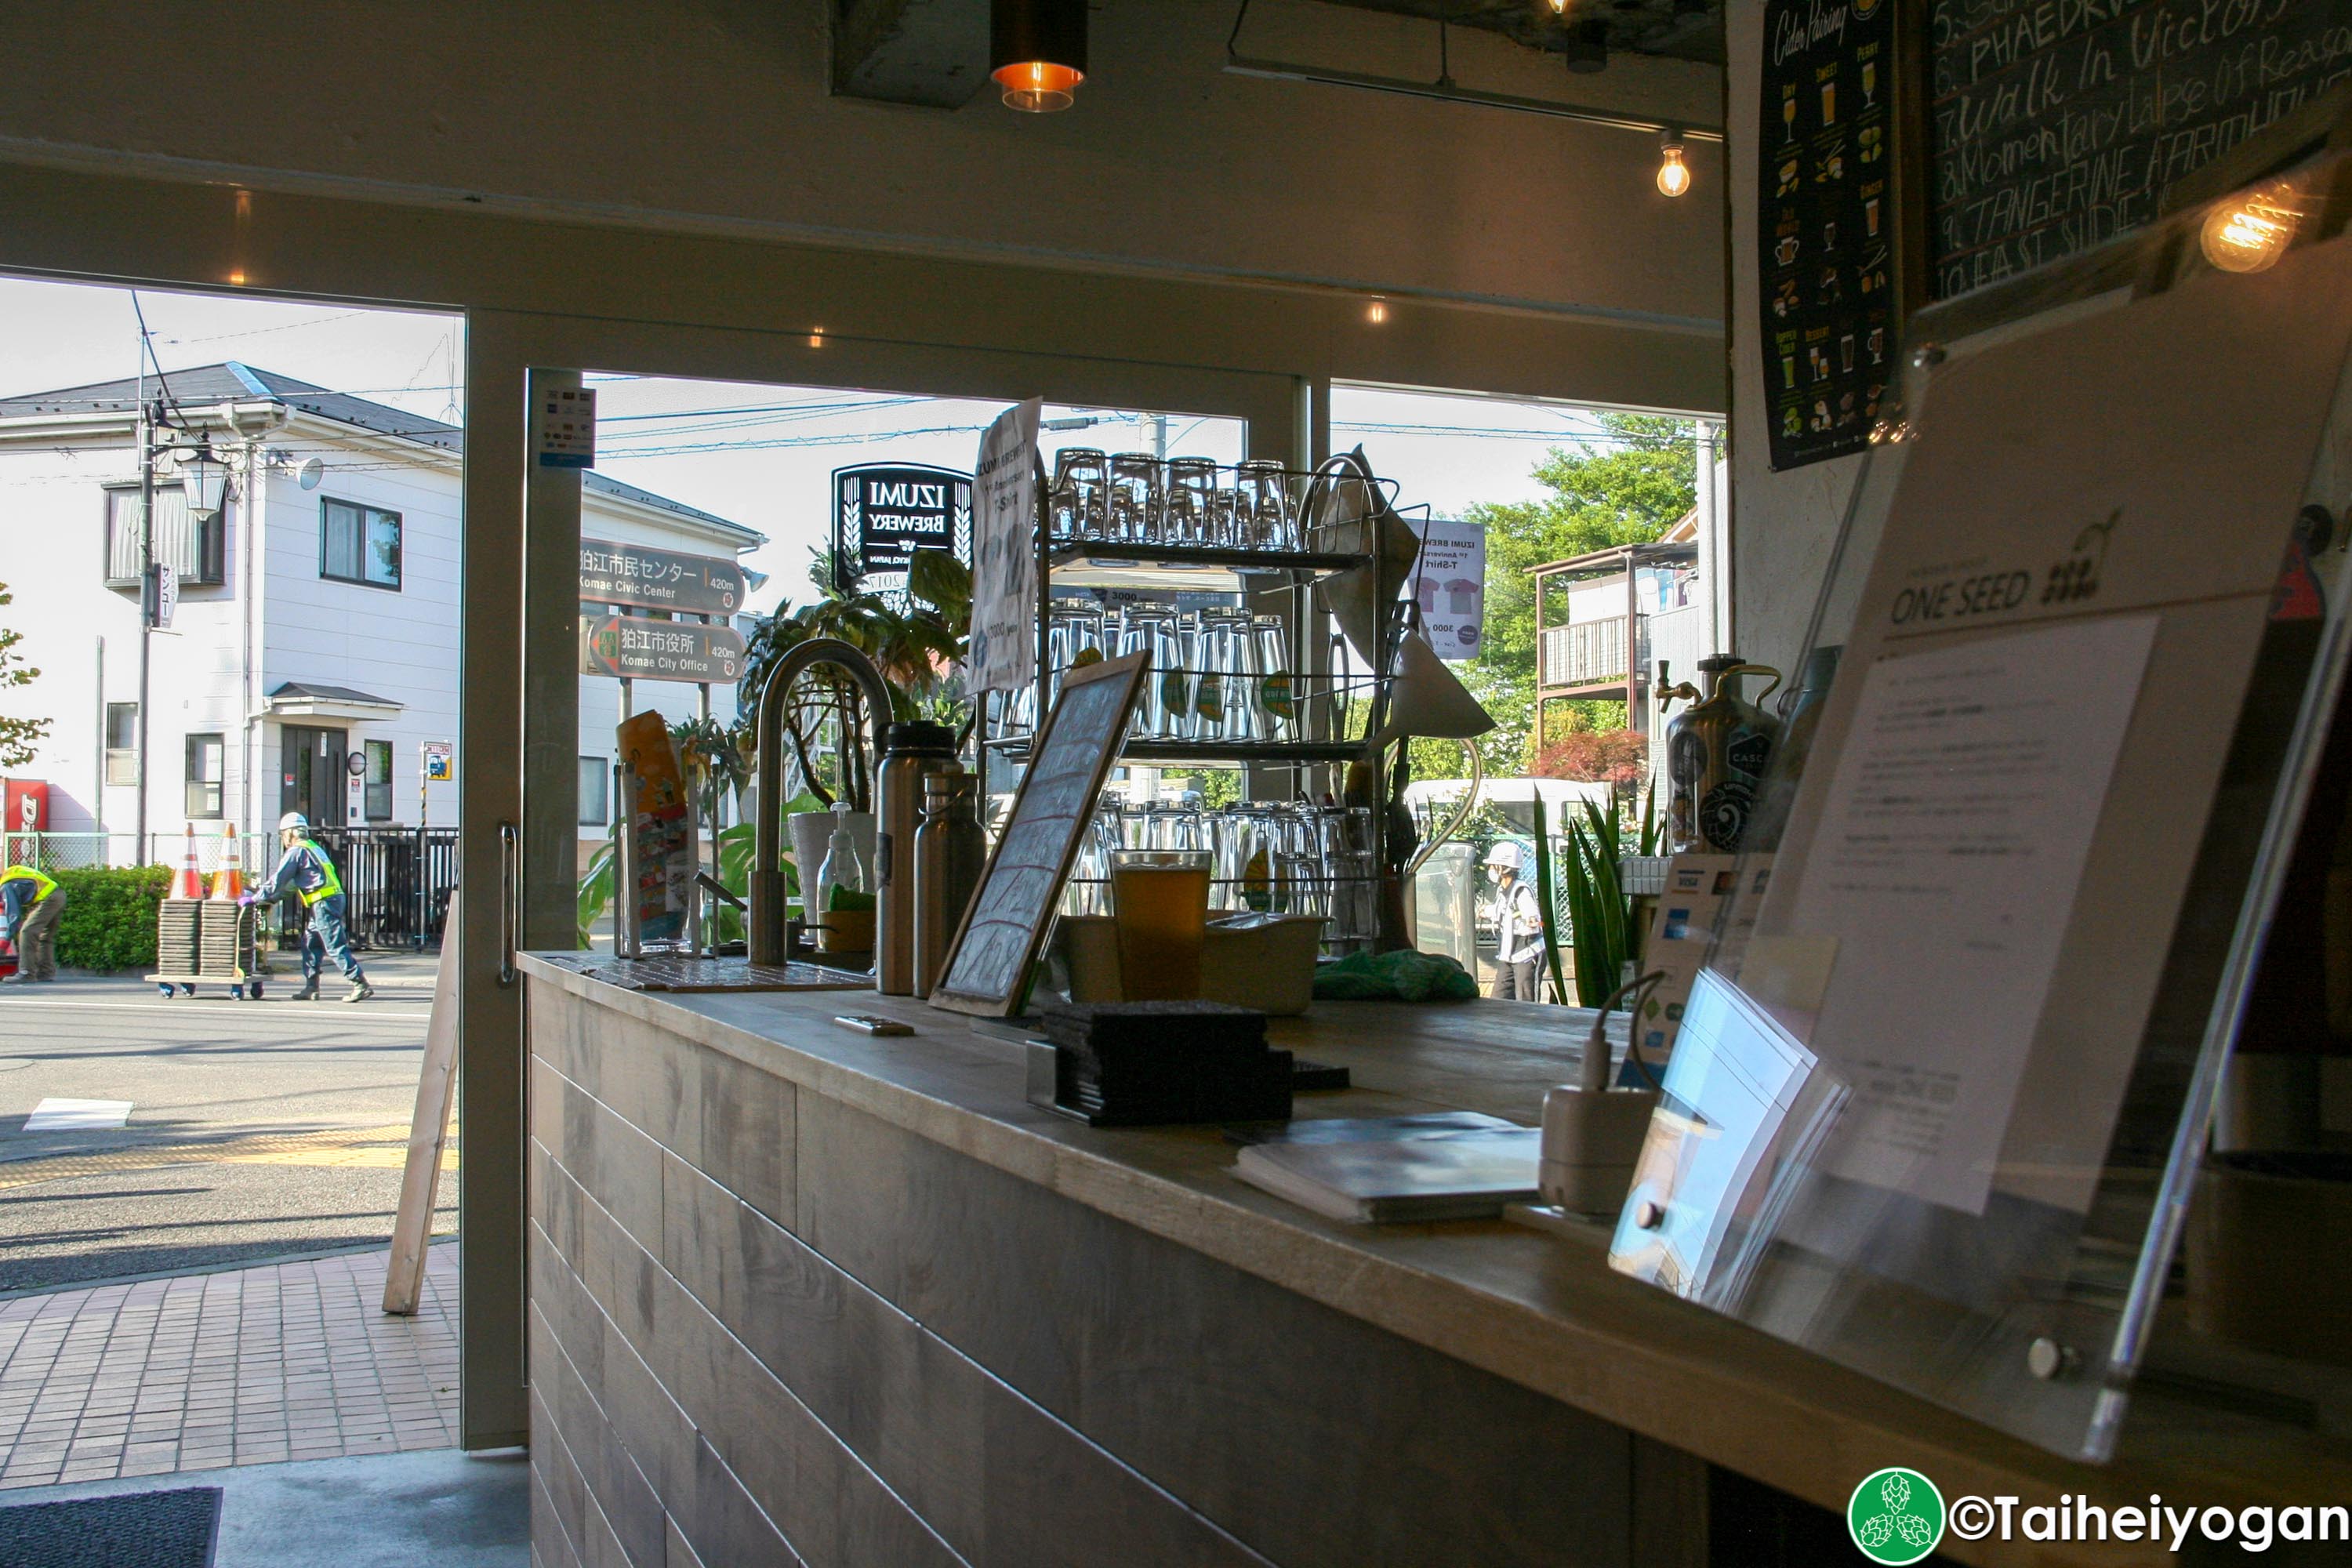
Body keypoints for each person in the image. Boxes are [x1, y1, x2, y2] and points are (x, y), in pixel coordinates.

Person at [245, 812, 374, 1002]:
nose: (283, 839)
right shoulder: (313, 848)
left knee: (334, 945)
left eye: (283, 835)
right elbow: (293, 885)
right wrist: (272, 899)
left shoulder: (297, 851)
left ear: (289, 833)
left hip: (324, 902)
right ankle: (311, 987)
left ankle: (359, 983)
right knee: (310, 942)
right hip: (329, 900)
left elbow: (279, 880)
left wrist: (256, 898)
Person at [1483, 840, 1545, 1002]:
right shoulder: (1503, 891)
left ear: (1504, 868)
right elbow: (1501, 910)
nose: (1490, 870)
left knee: (1526, 1000)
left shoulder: (1521, 891)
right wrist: (1484, 911)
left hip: (1526, 954)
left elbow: (1535, 921)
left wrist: (1531, 922)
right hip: (1508, 955)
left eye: (1493, 865)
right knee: (1499, 997)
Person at [0, 864, 65, 983]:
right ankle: (46, 973)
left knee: (27, 932)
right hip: (58, 895)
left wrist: (6, 941)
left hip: (48, 899)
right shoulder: (12, 873)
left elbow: (13, 915)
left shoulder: (6, 886)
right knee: (45, 936)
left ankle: (26, 973)